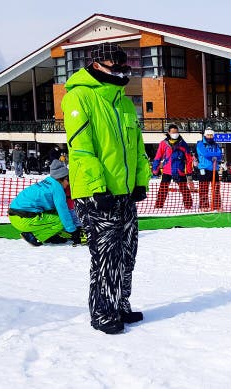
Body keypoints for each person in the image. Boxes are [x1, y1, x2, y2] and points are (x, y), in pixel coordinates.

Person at [62, 42, 151, 335]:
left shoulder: (123, 101)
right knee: (106, 256)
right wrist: (97, 186)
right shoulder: (79, 97)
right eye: (116, 64)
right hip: (96, 194)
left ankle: (120, 305)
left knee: (128, 253)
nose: (123, 69)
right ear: (97, 65)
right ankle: (103, 312)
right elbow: (81, 149)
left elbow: (137, 147)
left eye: (125, 63)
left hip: (125, 193)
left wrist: (140, 181)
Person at [9, 160, 81, 246]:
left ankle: (50, 236)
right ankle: (33, 236)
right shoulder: (57, 189)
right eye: (68, 180)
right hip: (23, 219)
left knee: (54, 214)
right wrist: (73, 231)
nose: (68, 184)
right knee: (61, 221)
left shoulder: (49, 181)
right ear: (63, 178)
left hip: (15, 214)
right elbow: (63, 212)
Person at [152, 124, 194, 209]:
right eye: (173, 132)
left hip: (179, 170)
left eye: (176, 132)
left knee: (184, 189)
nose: (175, 134)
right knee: (163, 189)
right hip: (167, 170)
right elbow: (158, 156)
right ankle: (159, 206)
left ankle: (188, 206)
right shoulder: (164, 143)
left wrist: (189, 172)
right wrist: (155, 169)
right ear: (169, 132)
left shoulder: (183, 144)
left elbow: (189, 159)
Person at [196, 128, 223, 211]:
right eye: (208, 135)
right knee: (203, 189)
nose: (210, 137)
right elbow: (205, 154)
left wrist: (216, 156)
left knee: (216, 188)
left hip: (214, 169)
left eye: (211, 135)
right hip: (204, 169)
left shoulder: (216, 145)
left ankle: (217, 205)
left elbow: (220, 155)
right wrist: (214, 155)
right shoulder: (200, 144)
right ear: (205, 135)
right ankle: (204, 205)